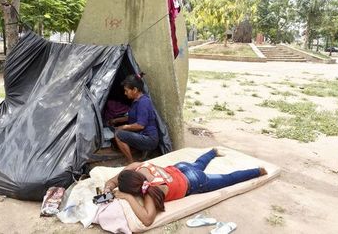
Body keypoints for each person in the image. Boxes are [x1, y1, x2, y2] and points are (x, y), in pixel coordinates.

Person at [104, 149, 267, 226]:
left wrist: (128, 198)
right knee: (198, 164)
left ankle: (258, 171)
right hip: (179, 168)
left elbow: (147, 220)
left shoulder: (151, 191)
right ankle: (213, 152)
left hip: (194, 181)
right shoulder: (136, 167)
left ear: (135, 191)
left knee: (228, 179)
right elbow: (115, 180)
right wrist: (107, 189)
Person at [109, 73, 159, 163]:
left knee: (118, 134)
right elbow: (131, 117)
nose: (125, 93)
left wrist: (123, 127)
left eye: (126, 90)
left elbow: (140, 126)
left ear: (135, 90)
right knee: (119, 132)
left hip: (149, 139)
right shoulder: (136, 101)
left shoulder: (143, 102)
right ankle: (143, 151)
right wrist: (116, 120)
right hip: (142, 134)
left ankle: (131, 162)